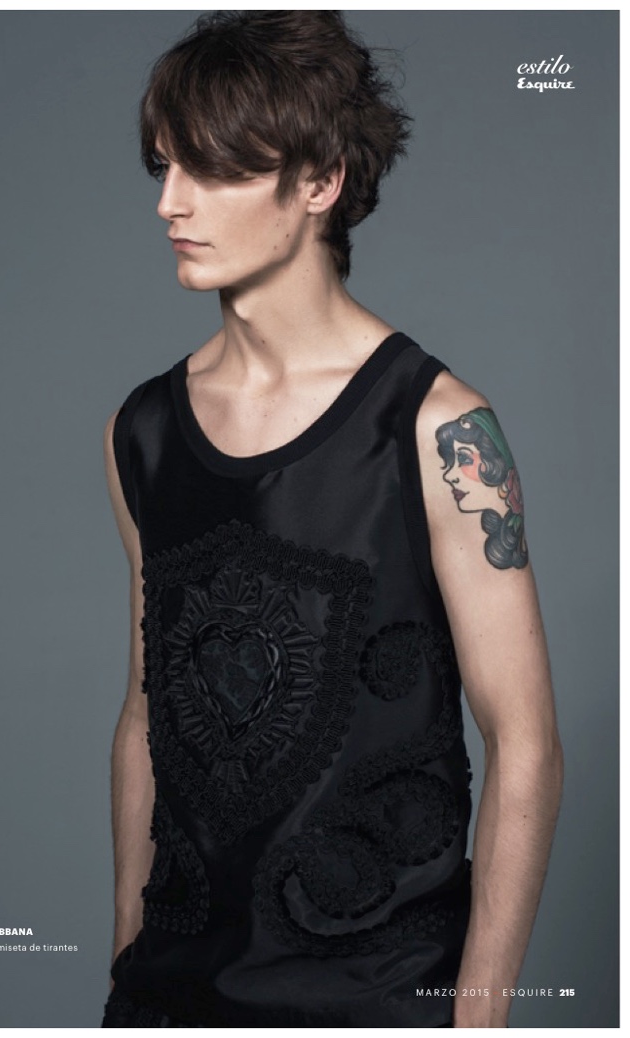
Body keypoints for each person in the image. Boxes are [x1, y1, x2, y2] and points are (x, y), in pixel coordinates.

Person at [101, 10, 563, 1028]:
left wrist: (477, 1020)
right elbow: (146, 713)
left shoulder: (440, 428)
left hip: (379, 997)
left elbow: (525, 741)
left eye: (214, 169)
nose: (171, 202)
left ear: (319, 182)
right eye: (164, 166)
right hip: (172, 998)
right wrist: (124, 965)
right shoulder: (142, 432)